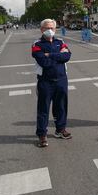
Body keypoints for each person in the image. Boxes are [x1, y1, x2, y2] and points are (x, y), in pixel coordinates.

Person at [32, 19, 72, 147]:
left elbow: (67, 56)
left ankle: (60, 129)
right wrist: (57, 56)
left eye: (52, 28)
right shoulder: (37, 44)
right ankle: (42, 134)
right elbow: (44, 62)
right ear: (41, 29)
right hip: (45, 81)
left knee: (61, 106)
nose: (49, 30)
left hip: (61, 80)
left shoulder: (60, 42)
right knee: (43, 109)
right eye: (46, 28)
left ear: (55, 29)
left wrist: (49, 54)